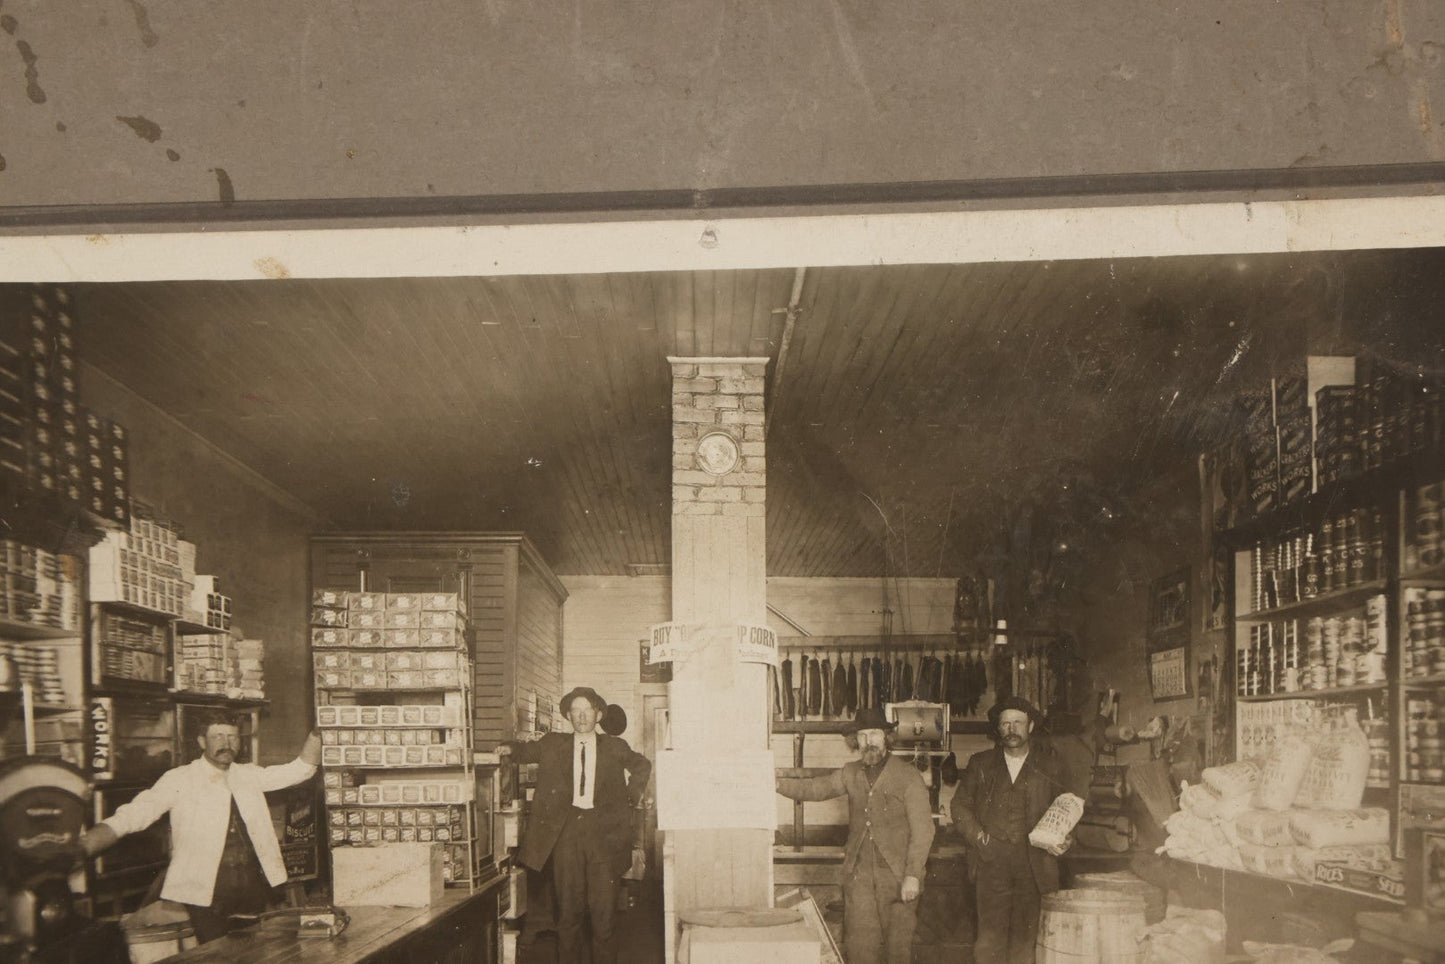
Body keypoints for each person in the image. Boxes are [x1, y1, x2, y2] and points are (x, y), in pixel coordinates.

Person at [79, 712, 321, 944]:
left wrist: (317, 733)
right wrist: (86, 845)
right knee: (215, 953)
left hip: (251, 885)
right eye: (218, 737)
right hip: (206, 889)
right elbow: (135, 814)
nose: (227, 744)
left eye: (232, 737)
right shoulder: (180, 778)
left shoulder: (248, 774)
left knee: (253, 953)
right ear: (201, 741)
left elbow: (299, 770)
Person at [497, 686, 651, 964]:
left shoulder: (615, 747)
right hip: (566, 835)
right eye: (576, 711)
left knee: (603, 916)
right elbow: (524, 750)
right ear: (568, 715)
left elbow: (642, 765)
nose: (581, 716)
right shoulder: (553, 744)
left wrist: (631, 794)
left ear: (598, 714)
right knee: (568, 915)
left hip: (603, 837)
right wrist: (508, 748)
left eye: (587, 710)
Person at [774, 706, 935, 964]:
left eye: (874, 734)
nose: (868, 741)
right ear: (855, 741)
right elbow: (816, 788)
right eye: (862, 736)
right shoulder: (850, 772)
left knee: (898, 952)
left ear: (886, 737)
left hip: (897, 878)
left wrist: (913, 875)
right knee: (860, 950)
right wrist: (778, 784)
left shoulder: (908, 776)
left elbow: (923, 830)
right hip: (858, 878)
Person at [951, 696, 1077, 964]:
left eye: (1017, 723)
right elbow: (959, 806)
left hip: (1034, 864)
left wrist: (1064, 839)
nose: (1011, 729)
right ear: (998, 729)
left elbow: (1066, 808)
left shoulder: (1050, 764)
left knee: (1026, 940)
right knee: (989, 940)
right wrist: (980, 838)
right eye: (1005, 724)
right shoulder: (981, 763)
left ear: (1030, 726)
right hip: (990, 862)